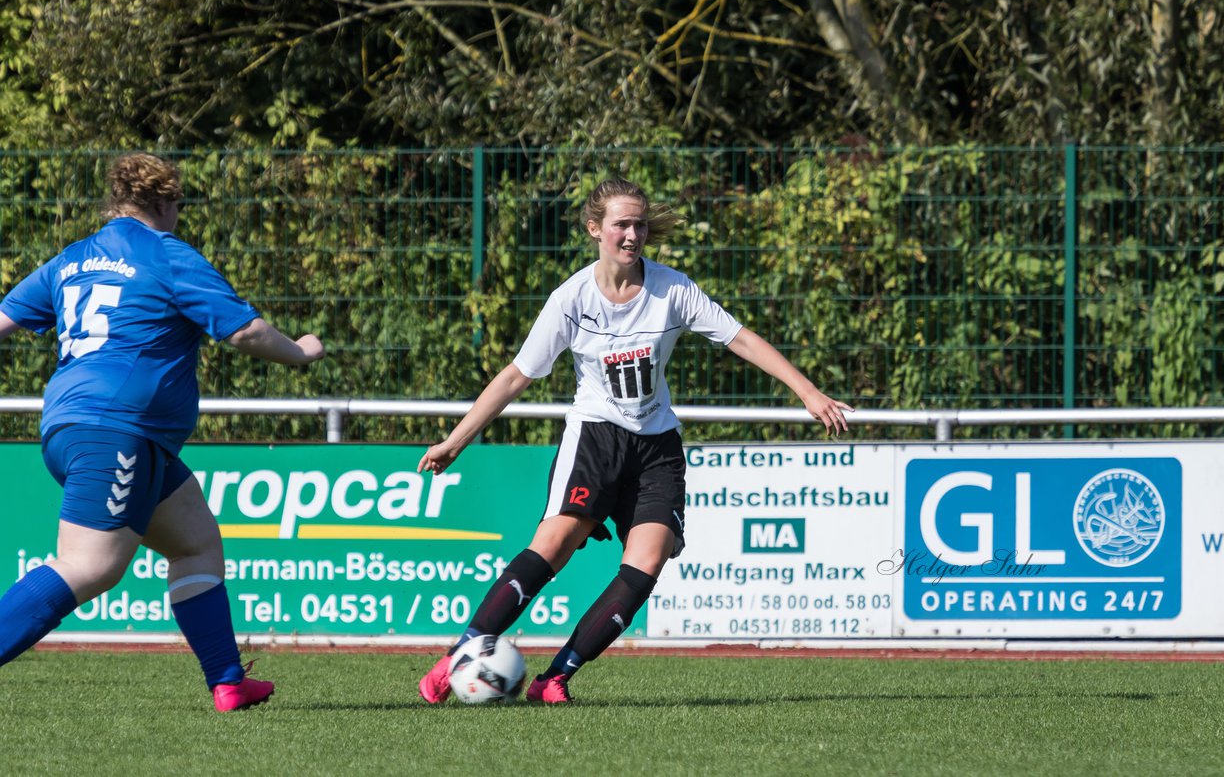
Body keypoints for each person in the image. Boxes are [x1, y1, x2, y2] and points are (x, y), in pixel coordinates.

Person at [416, 178, 851, 704]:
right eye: (621, 224)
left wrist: (807, 392)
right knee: (555, 544)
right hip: (595, 440)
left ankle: (555, 679)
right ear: (595, 229)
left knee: (648, 560)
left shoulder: (673, 289)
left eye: (640, 224)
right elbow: (515, 377)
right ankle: (457, 658)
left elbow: (741, 338)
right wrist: (454, 442)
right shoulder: (570, 299)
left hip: (656, 446)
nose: (632, 234)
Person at [0, 152, 325, 711]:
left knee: (196, 543)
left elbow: (3, 320)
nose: (179, 214)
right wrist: (299, 351)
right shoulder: (167, 255)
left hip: (74, 426)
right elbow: (244, 332)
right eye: (178, 203)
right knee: (90, 565)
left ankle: (228, 680)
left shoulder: (72, 259)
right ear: (164, 202)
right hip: (117, 430)